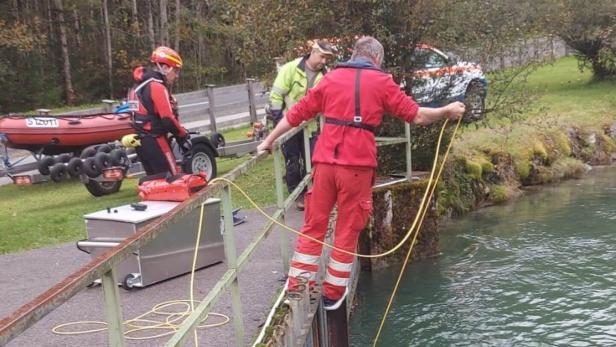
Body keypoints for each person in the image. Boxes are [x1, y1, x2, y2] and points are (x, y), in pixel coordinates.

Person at [257, 36, 466, 310]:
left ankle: (297, 286)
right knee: (347, 226)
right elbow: (416, 116)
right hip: (357, 166)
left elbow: (295, 114)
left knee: (314, 223)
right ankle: (333, 293)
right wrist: (446, 111)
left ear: (354, 54)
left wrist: (268, 140)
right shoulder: (382, 82)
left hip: (324, 162)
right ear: (377, 59)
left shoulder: (329, 79)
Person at [269, 40, 335, 210]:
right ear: (312, 52)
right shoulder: (290, 69)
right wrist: (278, 122)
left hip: (311, 127)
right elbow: (276, 96)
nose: (324, 61)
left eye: (327, 58)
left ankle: (313, 194)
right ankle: (297, 196)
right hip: (288, 125)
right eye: (322, 57)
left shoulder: (326, 76)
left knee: (313, 161)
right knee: (293, 162)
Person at [128, 46, 188, 176]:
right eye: (176, 71)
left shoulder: (137, 86)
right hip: (156, 140)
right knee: (172, 178)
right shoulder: (157, 86)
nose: (176, 76)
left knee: (155, 182)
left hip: (141, 143)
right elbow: (167, 119)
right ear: (165, 68)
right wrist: (182, 134)